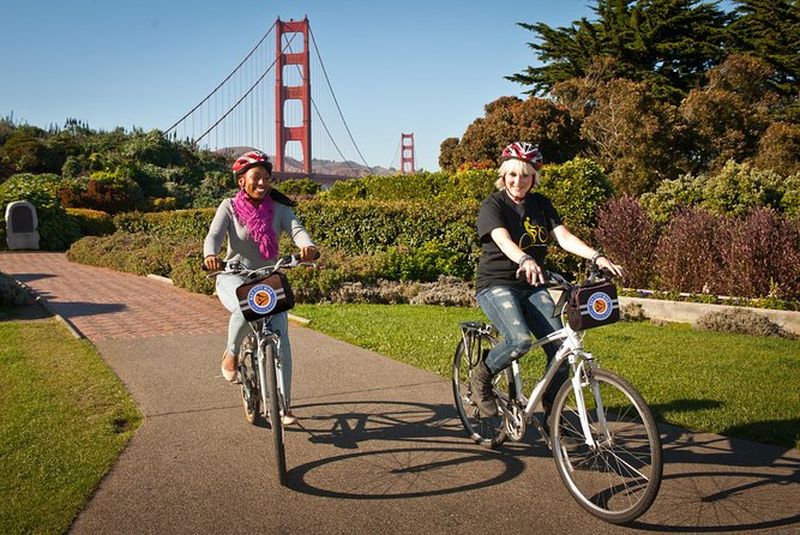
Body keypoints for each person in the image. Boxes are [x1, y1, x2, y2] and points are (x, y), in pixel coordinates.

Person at [472, 142, 623, 422]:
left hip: (533, 284)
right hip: (497, 283)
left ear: (534, 177)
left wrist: (597, 256)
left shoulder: (541, 204)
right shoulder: (493, 205)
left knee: (561, 351)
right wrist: (525, 259)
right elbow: (502, 240)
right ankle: (481, 376)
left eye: (525, 175)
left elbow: (564, 238)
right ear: (503, 175)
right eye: (513, 174)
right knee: (519, 341)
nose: (519, 181)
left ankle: (553, 417)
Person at [203, 149, 318, 426]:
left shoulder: (279, 208)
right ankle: (231, 354)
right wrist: (210, 255)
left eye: (267, 177)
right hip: (234, 276)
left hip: (268, 278)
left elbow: (297, 230)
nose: (262, 182)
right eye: (256, 177)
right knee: (246, 307)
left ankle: (284, 406)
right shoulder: (229, 207)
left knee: (282, 338)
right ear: (241, 180)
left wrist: (307, 247)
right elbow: (214, 235)